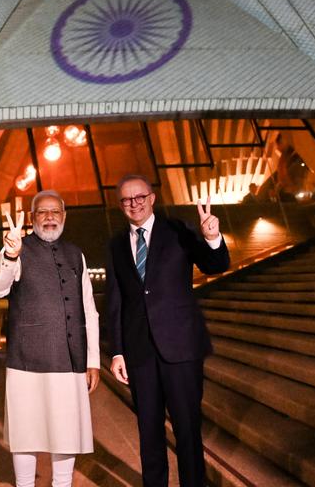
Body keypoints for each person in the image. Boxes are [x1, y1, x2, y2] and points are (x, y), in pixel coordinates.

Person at [105, 174, 229, 487]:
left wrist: (212, 237)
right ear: (120, 205)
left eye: (140, 197)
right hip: (139, 352)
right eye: (126, 200)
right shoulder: (117, 244)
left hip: (181, 347)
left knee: (187, 429)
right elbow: (116, 300)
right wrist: (117, 350)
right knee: (149, 431)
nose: (134, 204)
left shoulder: (180, 230)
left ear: (152, 198)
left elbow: (215, 265)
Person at [0, 189, 100, 487]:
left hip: (71, 360)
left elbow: (89, 308)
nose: (49, 217)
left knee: (66, 433)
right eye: (42, 212)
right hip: (27, 362)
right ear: (33, 217)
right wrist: (11, 254)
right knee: (26, 433)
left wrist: (93, 361)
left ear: (64, 216)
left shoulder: (77, 254)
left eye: (55, 212)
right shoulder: (18, 248)